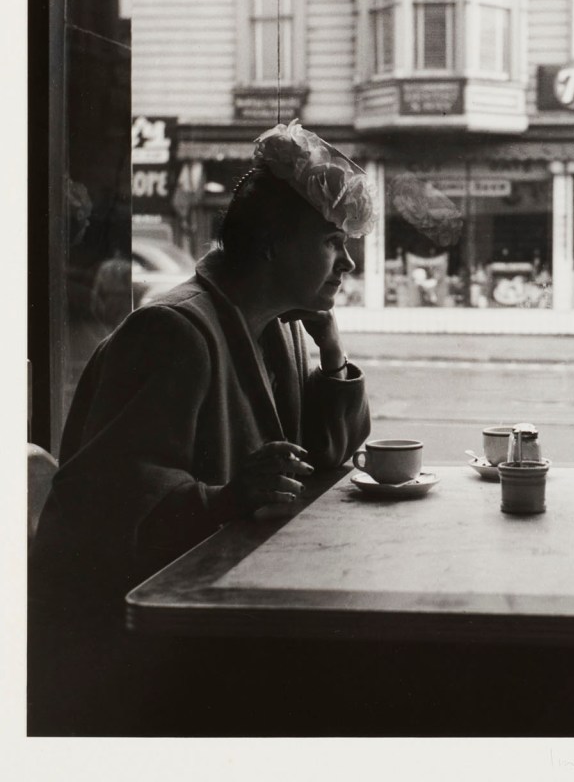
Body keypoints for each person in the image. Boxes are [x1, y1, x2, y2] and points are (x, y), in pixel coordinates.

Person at [29, 120, 375, 733]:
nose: (347, 262)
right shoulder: (172, 331)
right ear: (270, 243)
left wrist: (333, 357)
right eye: (330, 242)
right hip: (142, 656)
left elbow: (331, 462)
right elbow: (94, 505)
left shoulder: (287, 327)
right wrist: (225, 497)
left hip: (222, 614)